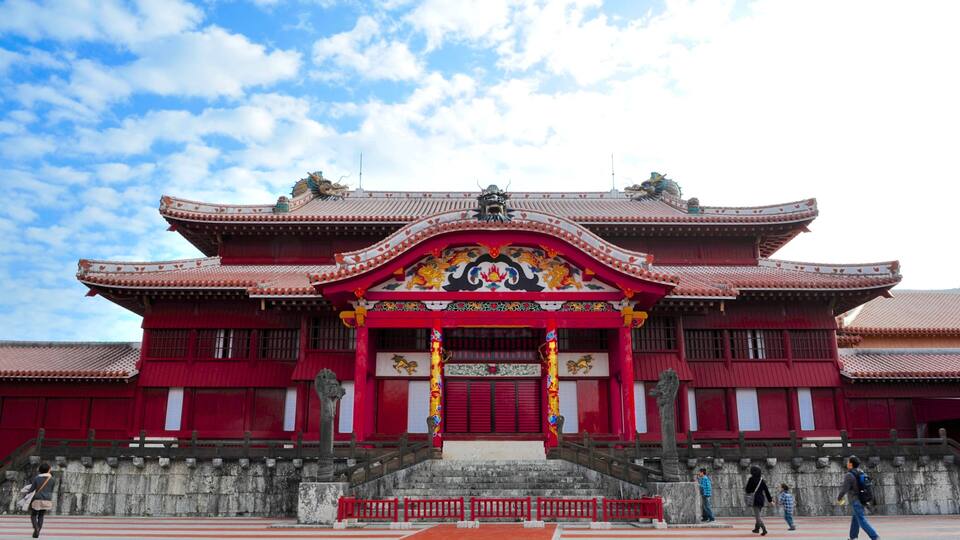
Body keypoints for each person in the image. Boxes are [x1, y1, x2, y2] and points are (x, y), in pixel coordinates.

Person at [839, 456, 880, 540]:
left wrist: (839, 497)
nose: (847, 464)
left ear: (851, 464)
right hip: (861, 499)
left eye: (848, 462)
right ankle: (853, 537)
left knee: (861, 520)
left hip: (855, 500)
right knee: (855, 519)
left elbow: (844, 489)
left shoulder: (849, 475)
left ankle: (875, 537)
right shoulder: (861, 472)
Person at [744, 465, 772, 536]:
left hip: (754, 500)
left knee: (757, 516)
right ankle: (756, 529)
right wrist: (770, 500)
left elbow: (747, 490)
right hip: (761, 499)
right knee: (758, 514)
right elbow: (766, 491)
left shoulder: (751, 479)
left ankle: (764, 529)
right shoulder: (761, 480)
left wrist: (750, 490)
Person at [29, 462, 55, 538]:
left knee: (33, 515)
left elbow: (32, 489)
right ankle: (38, 530)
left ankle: (36, 528)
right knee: (41, 515)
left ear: (40, 470)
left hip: (37, 499)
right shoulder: (52, 479)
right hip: (47, 499)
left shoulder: (37, 478)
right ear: (48, 470)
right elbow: (51, 489)